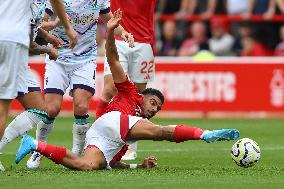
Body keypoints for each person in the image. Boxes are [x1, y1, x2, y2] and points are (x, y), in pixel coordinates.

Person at [15, 10, 240, 171]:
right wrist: (111, 33)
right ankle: (205, 134)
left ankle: (35, 145)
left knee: (87, 165)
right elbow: (113, 60)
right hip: (113, 121)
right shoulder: (131, 92)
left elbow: (115, 162)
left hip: (103, 135)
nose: (153, 109)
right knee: (161, 133)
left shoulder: (130, 132)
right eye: (153, 103)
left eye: (158, 108)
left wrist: (138, 166)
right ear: (142, 97)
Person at [26, 1, 134, 169]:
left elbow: (109, 20)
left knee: (82, 107)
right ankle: (39, 149)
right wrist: (54, 24)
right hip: (58, 57)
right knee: (52, 109)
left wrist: (124, 32)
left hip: (85, 59)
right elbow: (39, 24)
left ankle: (76, 153)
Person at [0, 0, 77, 171]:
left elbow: (32, 27)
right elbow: (28, 43)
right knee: (2, 106)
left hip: (17, 55)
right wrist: (49, 48)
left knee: (39, 110)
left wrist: (48, 36)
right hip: (11, 46)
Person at [96, 0, 157, 160]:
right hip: (118, 38)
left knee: (138, 95)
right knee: (110, 89)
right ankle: (96, 136)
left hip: (144, 41)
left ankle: (130, 145)